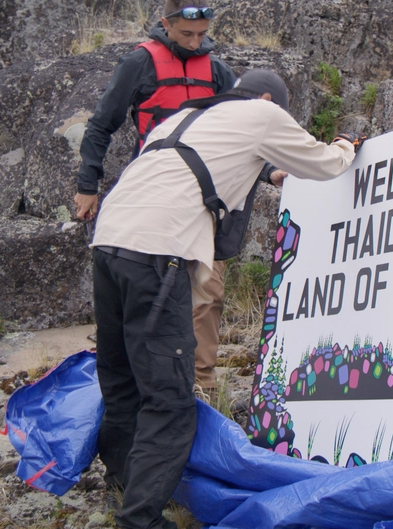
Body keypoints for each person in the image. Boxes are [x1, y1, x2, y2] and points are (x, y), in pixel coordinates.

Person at [90, 68, 364, 529]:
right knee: (170, 401)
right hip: (159, 251)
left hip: (109, 242)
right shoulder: (263, 113)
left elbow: (216, 166)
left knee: (121, 380)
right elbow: (323, 163)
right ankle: (140, 519)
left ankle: (121, 483)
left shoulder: (183, 119)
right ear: (268, 100)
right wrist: (345, 146)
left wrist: (272, 172)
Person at [74, 0, 280, 393]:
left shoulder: (217, 71)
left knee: (207, 294)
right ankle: (145, 386)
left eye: (202, 35)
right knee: (153, 298)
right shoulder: (139, 64)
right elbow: (101, 124)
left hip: (206, 203)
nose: (195, 42)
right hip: (154, 200)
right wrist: (88, 185)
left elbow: (246, 130)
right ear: (165, 24)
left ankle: (201, 387)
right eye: (187, 34)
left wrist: (271, 171)